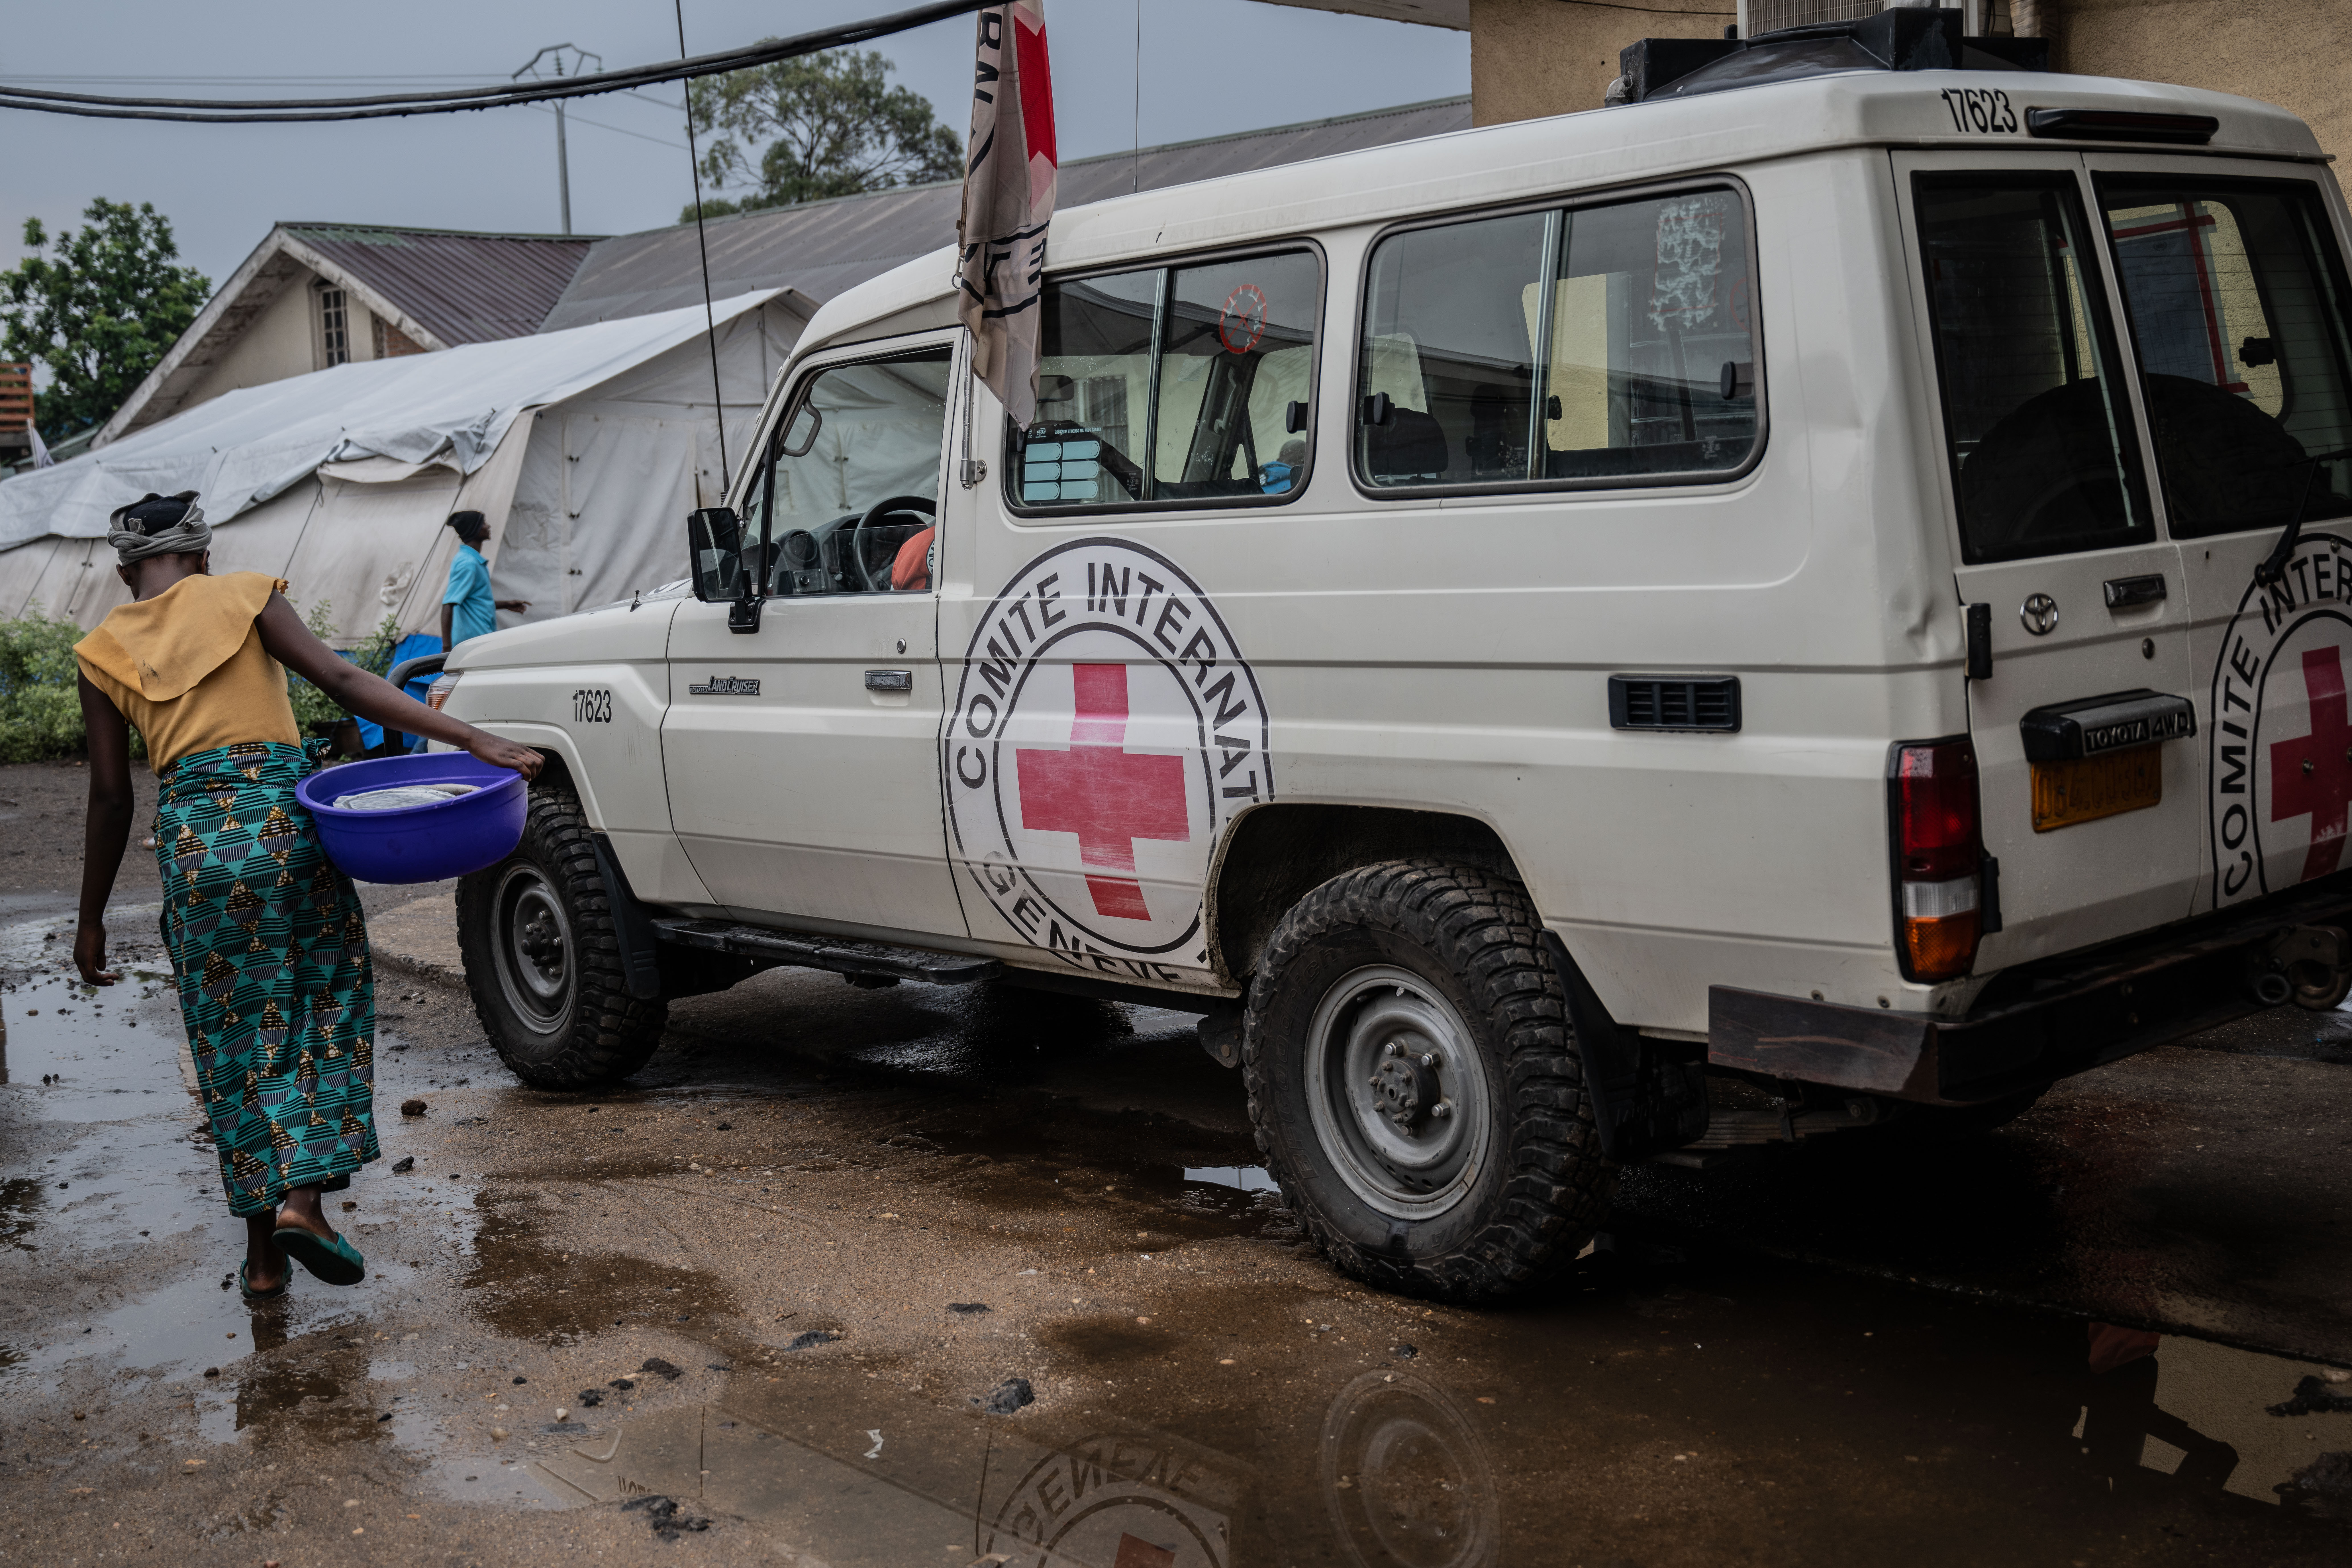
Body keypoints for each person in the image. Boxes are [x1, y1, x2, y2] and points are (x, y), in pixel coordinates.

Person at [72, 491, 543, 1299]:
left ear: (124, 572)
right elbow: (341, 677)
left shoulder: (99, 651)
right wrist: (470, 738)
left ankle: (262, 1263)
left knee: (233, 1041)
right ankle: (304, 1205)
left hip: (194, 846)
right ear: (204, 555)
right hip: (282, 833)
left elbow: (112, 797)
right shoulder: (248, 596)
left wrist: (90, 924)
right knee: (319, 1004)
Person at [438, 510, 529, 652]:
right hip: (473, 643)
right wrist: (447, 648)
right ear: (474, 529)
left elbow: (476, 602)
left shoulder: (473, 561)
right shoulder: (468, 564)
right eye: (484, 523)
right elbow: (448, 604)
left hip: (481, 639)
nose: (488, 527)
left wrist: (506, 604)